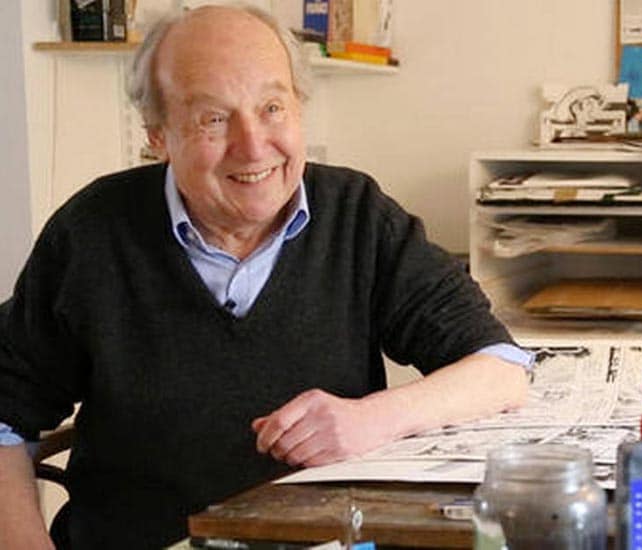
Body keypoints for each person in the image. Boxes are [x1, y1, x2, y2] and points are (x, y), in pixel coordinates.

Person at [0, 5, 531, 548]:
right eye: (213, 118)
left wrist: (374, 419)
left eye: (272, 108)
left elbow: (500, 367)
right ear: (157, 135)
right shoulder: (93, 232)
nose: (253, 146)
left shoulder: (356, 215)